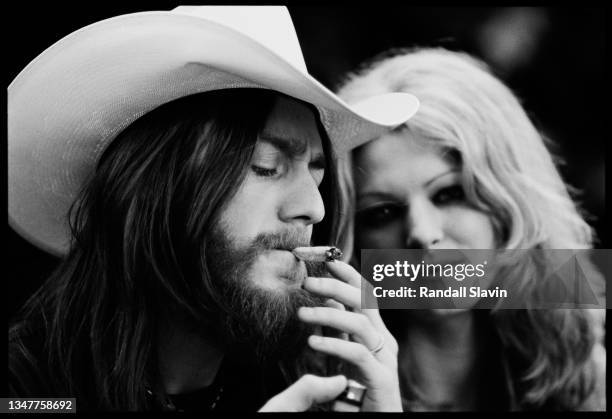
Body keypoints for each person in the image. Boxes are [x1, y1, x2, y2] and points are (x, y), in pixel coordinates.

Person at [8, 6, 420, 412]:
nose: (314, 209)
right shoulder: (27, 391)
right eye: (266, 167)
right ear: (158, 189)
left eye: (316, 175)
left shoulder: (305, 383)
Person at [334, 47, 606, 411]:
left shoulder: (582, 373)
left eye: (449, 194)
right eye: (382, 213)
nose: (422, 232)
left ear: (508, 200)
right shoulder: (322, 388)